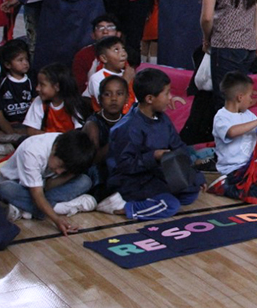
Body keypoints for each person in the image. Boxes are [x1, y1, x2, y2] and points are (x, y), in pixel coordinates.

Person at [99, 69, 206, 219]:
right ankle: (123, 207)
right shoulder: (129, 127)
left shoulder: (162, 118)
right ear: (150, 98)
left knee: (191, 193)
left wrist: (194, 175)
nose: (170, 98)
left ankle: (156, 199)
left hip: (155, 175)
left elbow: (179, 147)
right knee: (170, 206)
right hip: (131, 181)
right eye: (167, 93)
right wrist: (153, 156)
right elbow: (125, 165)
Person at [0, 130, 97, 234]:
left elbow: (49, 185)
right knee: (5, 188)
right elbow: (37, 194)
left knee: (85, 181)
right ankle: (60, 208)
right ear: (55, 148)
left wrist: (69, 173)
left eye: (65, 169)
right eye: (60, 165)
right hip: (20, 186)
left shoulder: (68, 150)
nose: (59, 171)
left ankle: (25, 209)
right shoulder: (33, 151)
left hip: (44, 188)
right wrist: (56, 219)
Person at [212, 72, 257, 199]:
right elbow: (231, 132)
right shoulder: (221, 117)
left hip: (255, 166)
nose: (251, 99)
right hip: (235, 169)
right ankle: (224, 186)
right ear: (240, 97)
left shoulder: (248, 114)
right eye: (250, 95)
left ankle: (254, 185)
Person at [82, 75, 128, 200]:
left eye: (119, 94)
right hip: (99, 173)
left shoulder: (128, 120)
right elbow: (92, 159)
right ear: (100, 99)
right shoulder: (93, 124)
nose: (114, 99)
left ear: (126, 98)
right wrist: (114, 141)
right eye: (108, 94)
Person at [23, 63, 89, 135]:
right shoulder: (39, 101)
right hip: (45, 142)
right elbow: (31, 131)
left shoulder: (73, 103)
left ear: (57, 87)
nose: (37, 88)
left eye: (42, 85)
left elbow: (79, 132)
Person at [0, 40, 35, 141]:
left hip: (26, 125)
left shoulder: (30, 81)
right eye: (20, 60)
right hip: (8, 125)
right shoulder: (2, 83)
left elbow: (34, 104)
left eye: (26, 60)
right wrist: (10, 131)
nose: (25, 63)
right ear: (8, 65)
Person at [83, 36, 136, 115]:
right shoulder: (97, 78)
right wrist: (125, 81)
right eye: (116, 50)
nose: (123, 54)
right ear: (104, 58)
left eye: (123, 49)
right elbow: (107, 106)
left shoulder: (128, 73)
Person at [72, 14, 123, 90]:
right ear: (93, 35)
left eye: (110, 27)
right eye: (100, 28)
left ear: (118, 34)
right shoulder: (83, 55)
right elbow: (79, 86)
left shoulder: (125, 54)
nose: (105, 31)